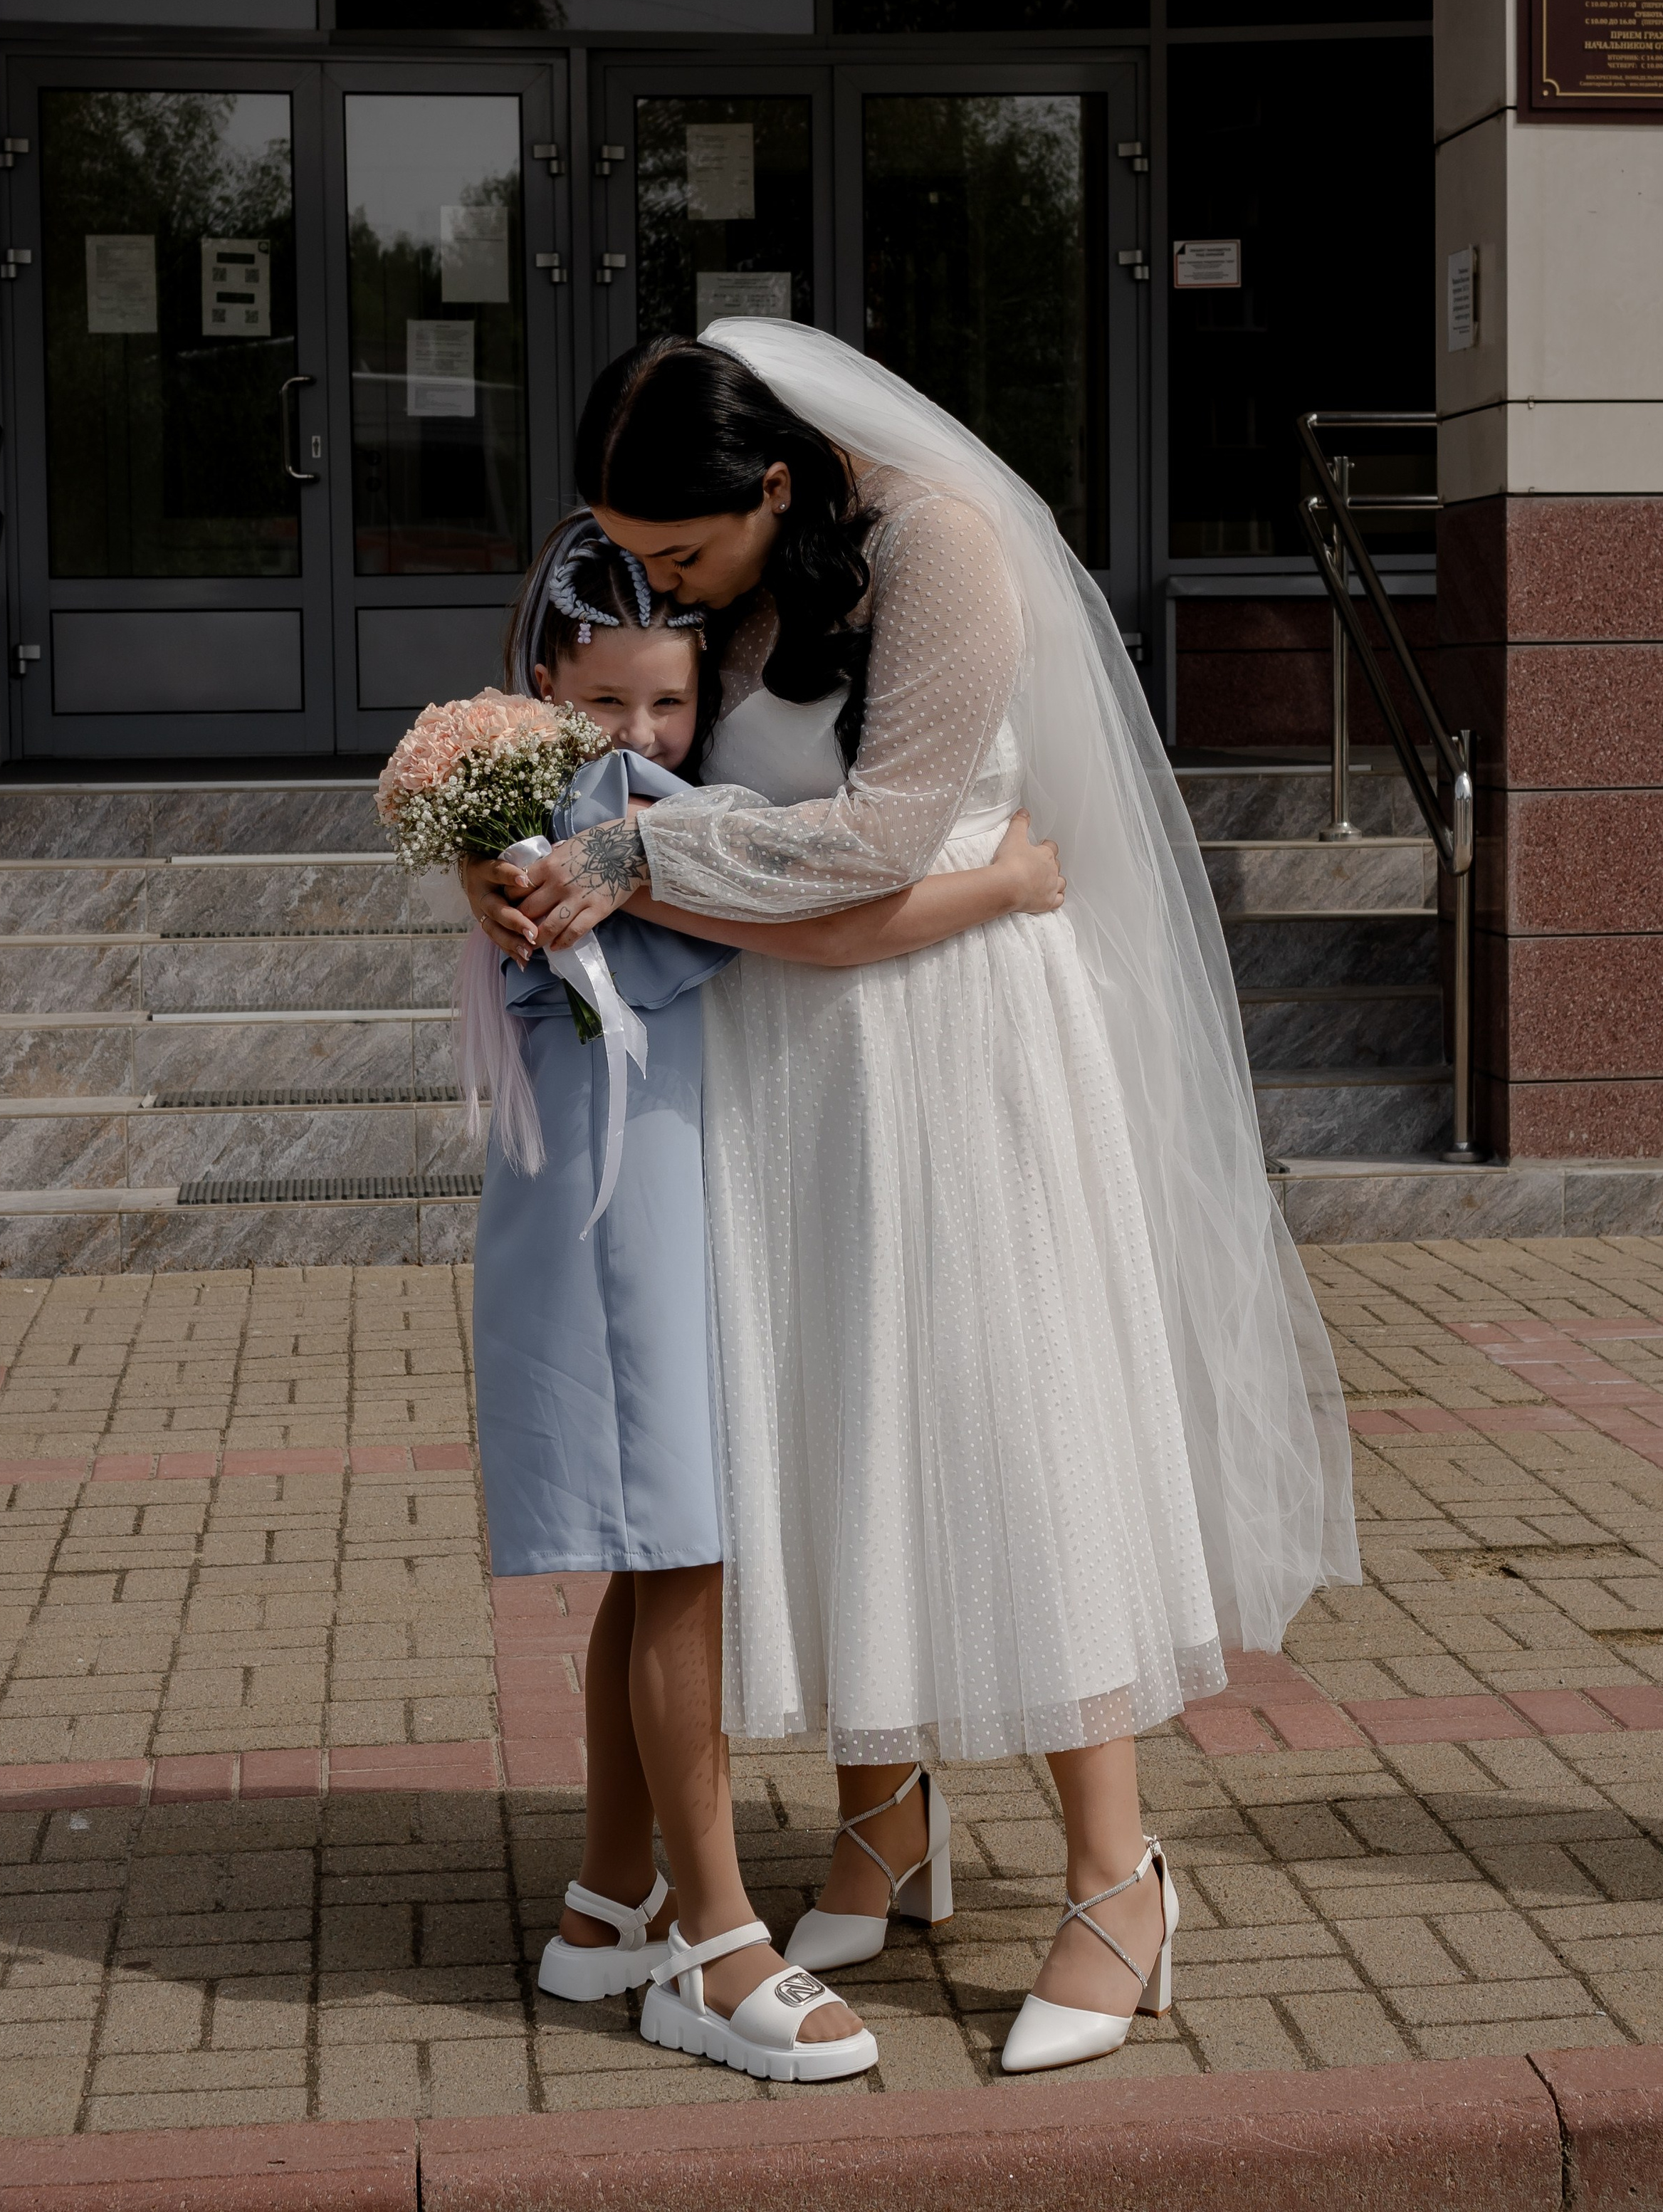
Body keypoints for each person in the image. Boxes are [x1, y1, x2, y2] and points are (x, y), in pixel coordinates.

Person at [474, 324, 1359, 2075]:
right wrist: (564, 866)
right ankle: (882, 1825)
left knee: (998, 1430)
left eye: (679, 553)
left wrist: (631, 864)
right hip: (793, 1072)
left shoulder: (939, 549)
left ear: (776, 484)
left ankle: (1119, 1880)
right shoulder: (729, 582)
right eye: (638, 555)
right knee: (829, 1439)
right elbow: (719, 825)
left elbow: (874, 845)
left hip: (954, 1057)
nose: (656, 587)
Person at [465, 512, 1066, 2082]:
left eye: (671, 707)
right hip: (622, 1209)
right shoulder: (606, 812)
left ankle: (606, 1910)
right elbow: (832, 927)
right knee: (679, 1559)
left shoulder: (555, 798)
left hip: (629, 1197)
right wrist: (1005, 885)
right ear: (543, 684)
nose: (646, 739)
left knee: (646, 1562)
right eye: (609, 704)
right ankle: (715, 1948)